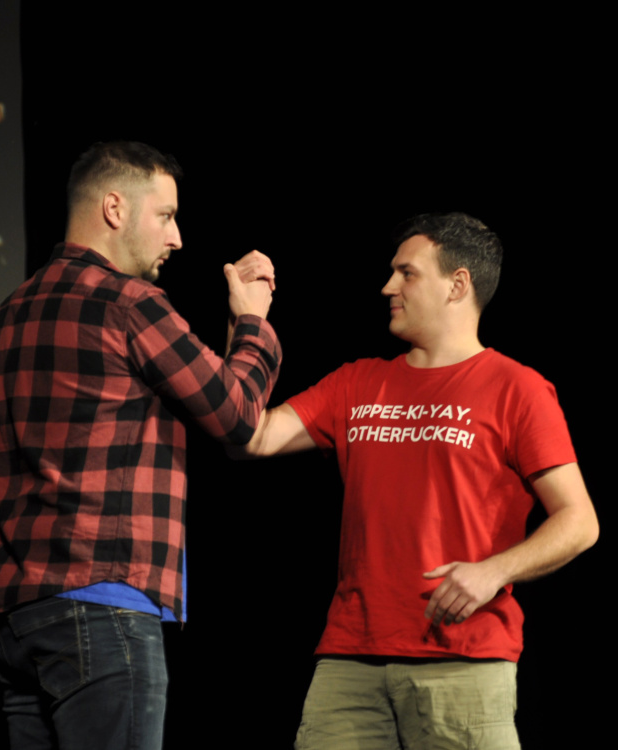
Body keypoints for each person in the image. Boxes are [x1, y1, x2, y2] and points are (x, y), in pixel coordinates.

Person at [0, 141, 282, 750]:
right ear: (113, 208)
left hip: (10, 617)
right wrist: (252, 324)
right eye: (166, 215)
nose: (177, 237)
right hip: (101, 607)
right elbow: (236, 414)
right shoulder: (129, 304)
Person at [236, 212, 598, 749]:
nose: (388, 287)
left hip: (463, 660)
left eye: (406, 273)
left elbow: (580, 521)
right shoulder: (358, 381)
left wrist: (493, 571)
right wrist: (246, 321)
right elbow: (250, 436)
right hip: (350, 659)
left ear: (458, 284)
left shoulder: (516, 388)